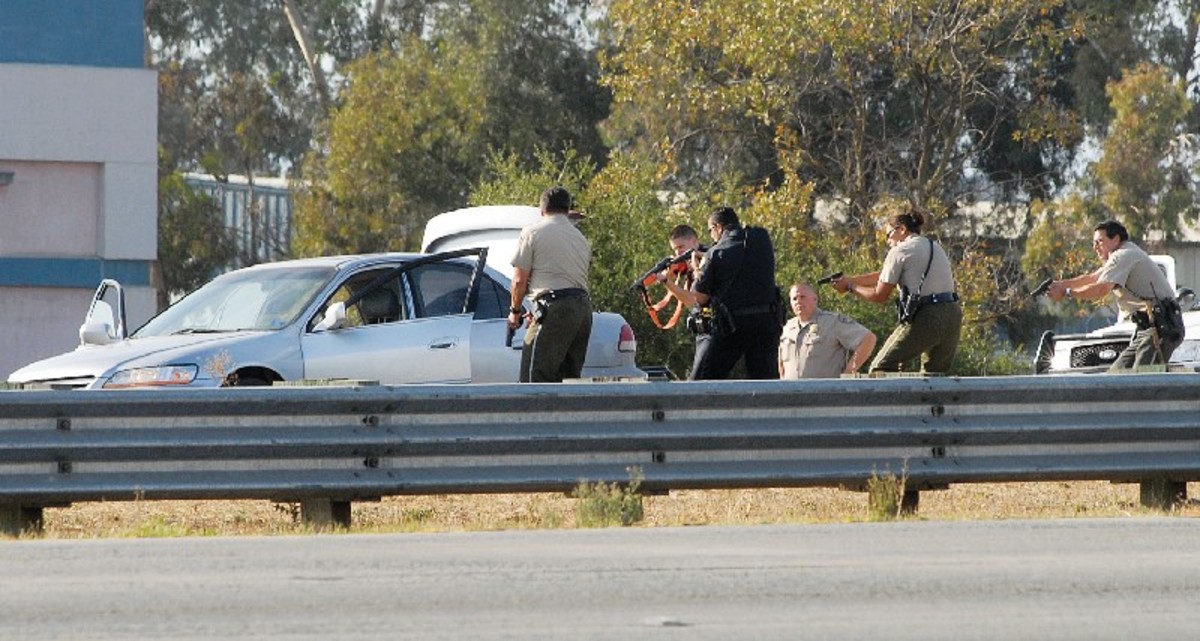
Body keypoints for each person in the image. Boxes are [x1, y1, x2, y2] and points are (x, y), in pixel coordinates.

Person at [832, 206, 961, 374]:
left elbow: (880, 295)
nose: (887, 241)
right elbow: (884, 275)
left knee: (880, 368)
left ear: (901, 229)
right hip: (953, 315)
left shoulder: (899, 250)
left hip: (928, 315)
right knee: (934, 376)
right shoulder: (933, 246)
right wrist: (850, 279)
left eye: (888, 234)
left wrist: (850, 287)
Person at [1046, 219, 1184, 371]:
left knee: (1141, 380)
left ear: (1116, 239)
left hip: (1161, 326)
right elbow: (1093, 278)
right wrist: (1060, 284)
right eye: (1094, 243)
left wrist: (1066, 293)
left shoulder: (1124, 255)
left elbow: (1102, 288)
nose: (1095, 247)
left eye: (1099, 242)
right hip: (1148, 328)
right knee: (1118, 374)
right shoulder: (1122, 254)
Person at [507, 186, 593, 382]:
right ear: (567, 209)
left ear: (542, 210)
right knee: (569, 380)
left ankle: (535, 414)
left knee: (534, 379)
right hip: (582, 310)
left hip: (554, 307)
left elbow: (519, 280)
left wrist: (515, 311)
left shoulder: (532, 232)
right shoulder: (580, 239)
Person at [688, 206, 783, 380]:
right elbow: (741, 255)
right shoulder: (762, 237)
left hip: (734, 325)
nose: (712, 237)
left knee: (706, 378)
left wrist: (698, 269)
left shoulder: (715, 253)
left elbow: (700, 298)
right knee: (764, 378)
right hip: (767, 322)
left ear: (718, 227)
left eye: (711, 231)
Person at [778, 282, 877, 379]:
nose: (798, 302)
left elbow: (868, 339)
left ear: (815, 299)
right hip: (791, 392)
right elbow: (782, 363)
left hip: (825, 392)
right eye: (794, 299)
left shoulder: (832, 322)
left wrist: (849, 372)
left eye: (802, 297)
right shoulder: (787, 328)